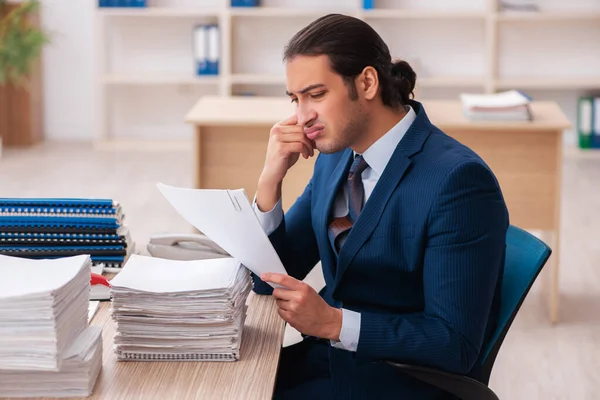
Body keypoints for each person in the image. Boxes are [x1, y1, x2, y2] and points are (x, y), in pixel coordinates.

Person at [251, 13, 509, 400]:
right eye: (295, 99)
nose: (303, 118)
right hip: (332, 362)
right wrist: (270, 180)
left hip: (400, 382)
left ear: (367, 82)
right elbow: (267, 277)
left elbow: (455, 343)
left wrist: (335, 323)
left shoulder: (458, 181)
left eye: (316, 95)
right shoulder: (337, 155)